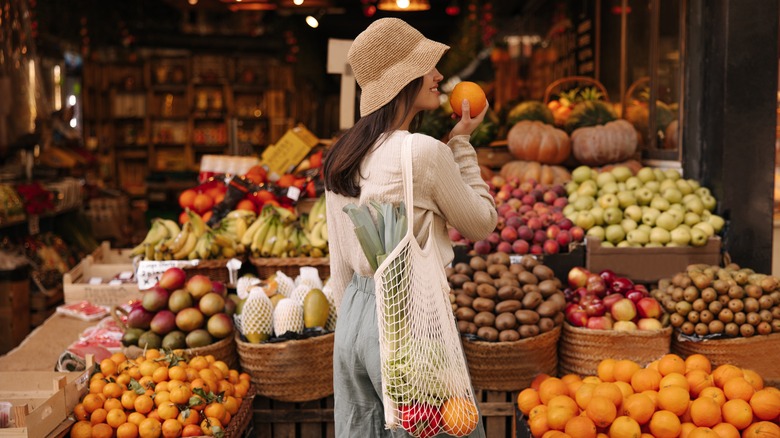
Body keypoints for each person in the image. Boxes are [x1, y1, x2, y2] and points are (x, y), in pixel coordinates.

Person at [322, 18, 497, 437]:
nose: (439, 76)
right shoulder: (423, 151)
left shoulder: (342, 155)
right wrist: (462, 145)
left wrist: (352, 332)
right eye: (428, 66)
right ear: (404, 79)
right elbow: (481, 223)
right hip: (406, 318)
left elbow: (340, 265)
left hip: (353, 321)